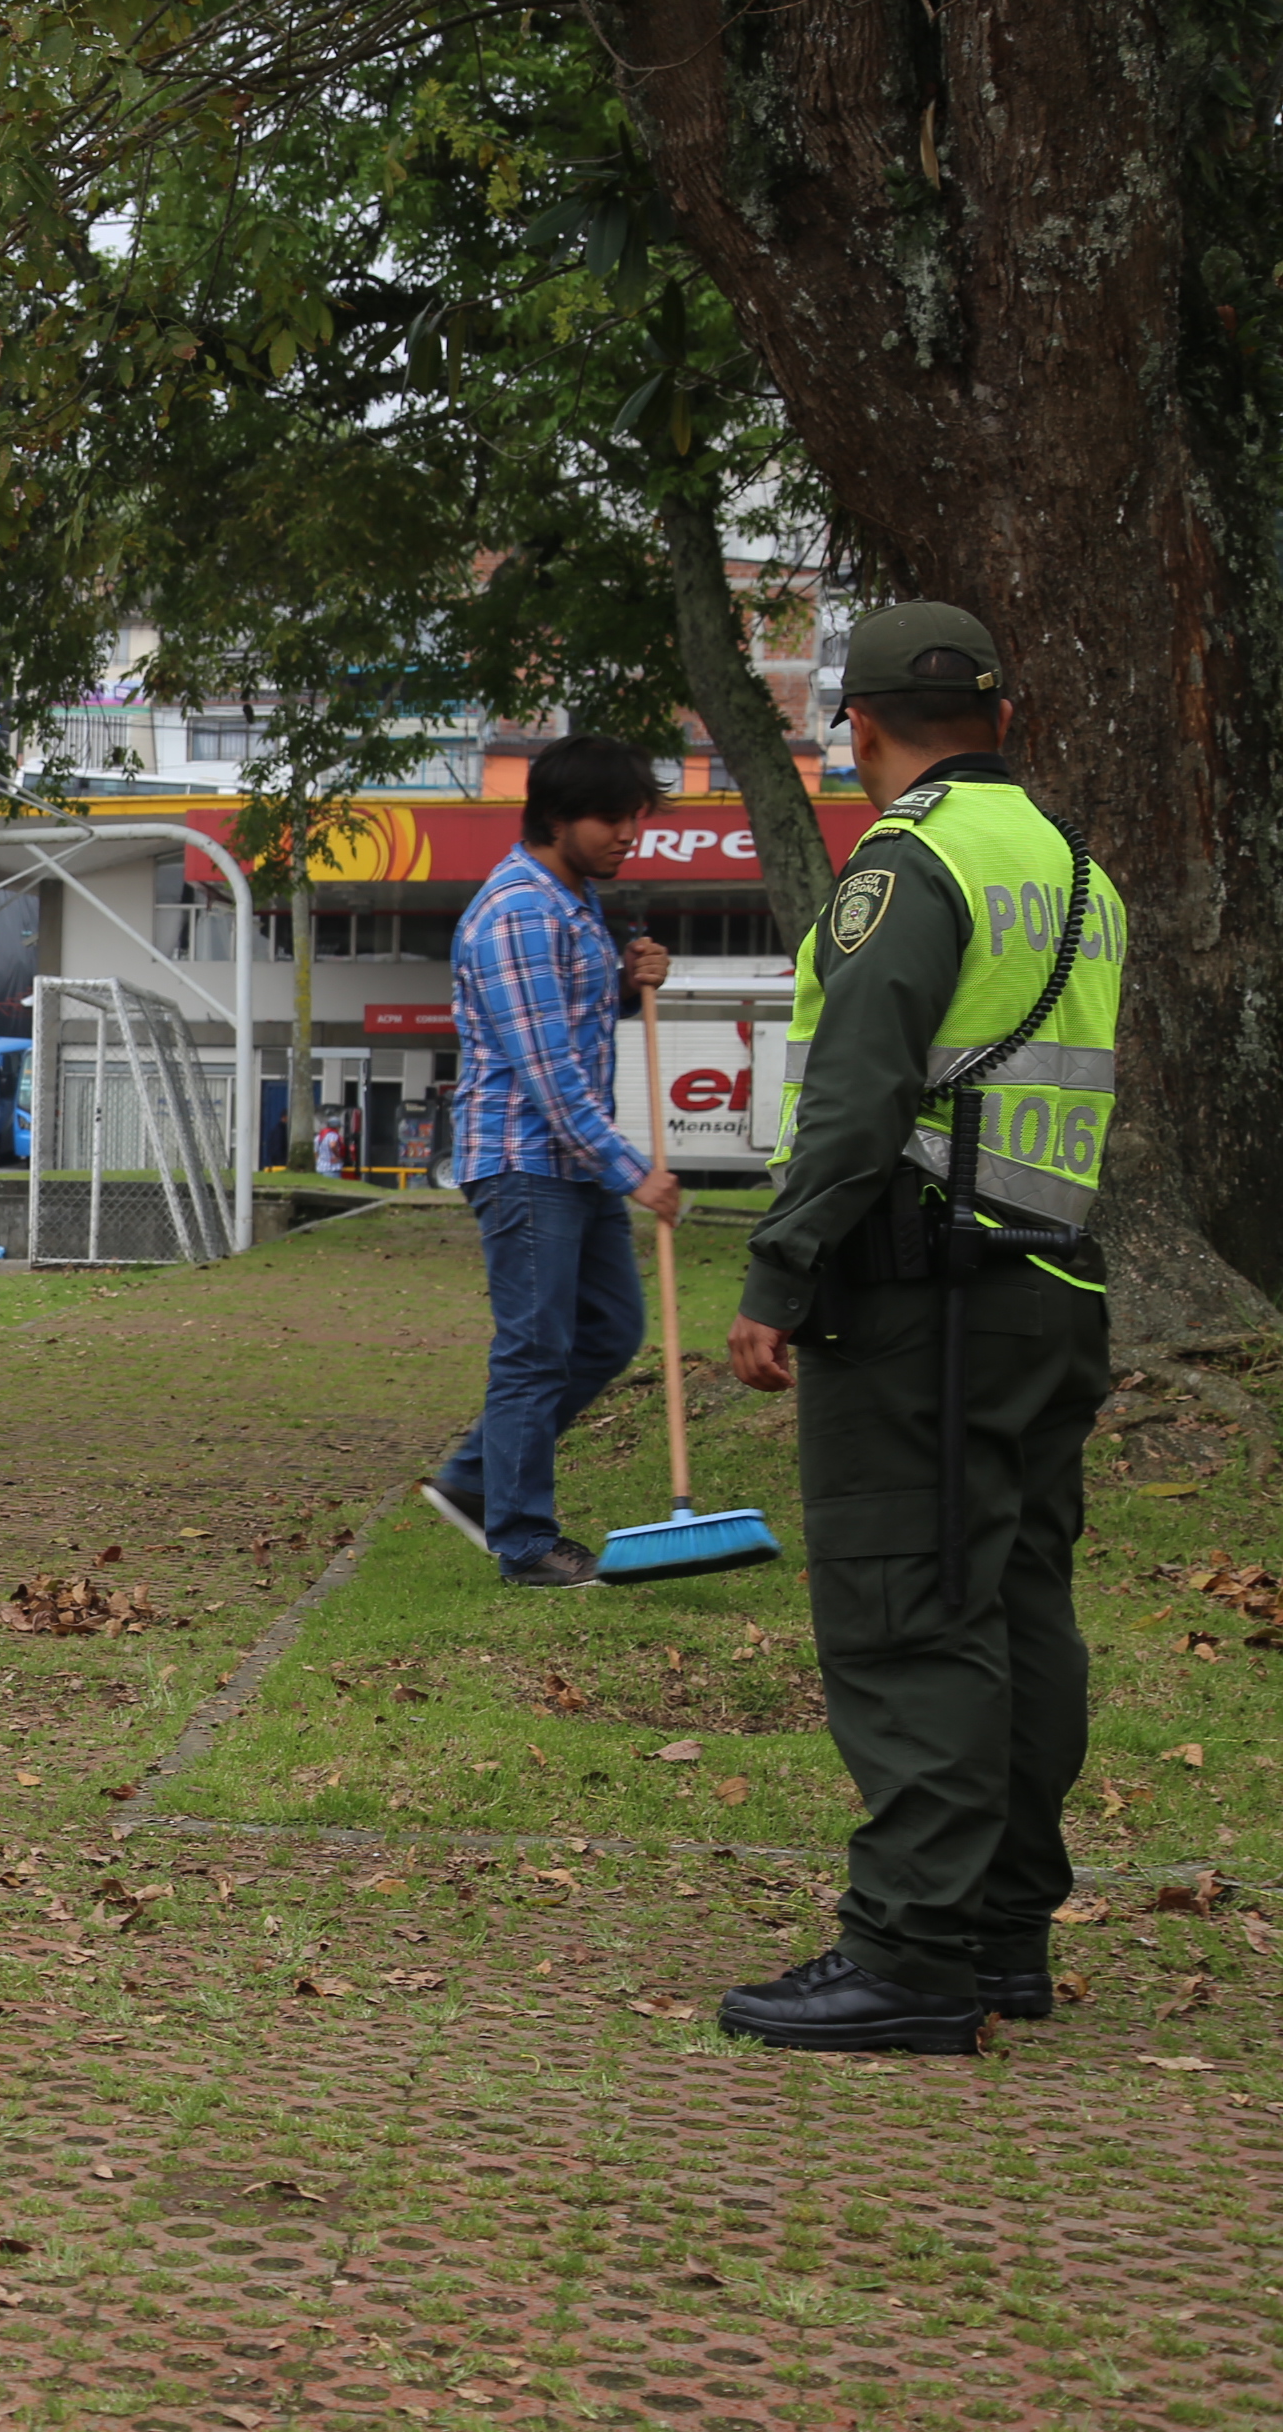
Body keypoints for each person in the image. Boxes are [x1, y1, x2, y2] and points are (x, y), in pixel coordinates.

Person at [715, 604, 1120, 2056]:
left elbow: (859, 1093)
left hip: (921, 1301)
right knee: (1018, 1603)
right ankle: (1004, 1929)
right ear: (1002, 719)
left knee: (911, 1608)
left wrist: (780, 1272)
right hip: (1051, 1288)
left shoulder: (907, 862)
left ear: (863, 729)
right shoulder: (1077, 869)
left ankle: (910, 1954)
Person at [418, 737, 681, 1587]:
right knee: (535, 1351)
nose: (628, 834)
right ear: (557, 818)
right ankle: (525, 1542)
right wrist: (635, 1171)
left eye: (634, 817)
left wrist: (631, 980)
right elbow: (548, 1074)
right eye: (611, 818)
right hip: (525, 1159)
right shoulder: (521, 912)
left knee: (611, 1330)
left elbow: (573, 1018)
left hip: (571, 1161)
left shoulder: (574, 901)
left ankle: (475, 1478)